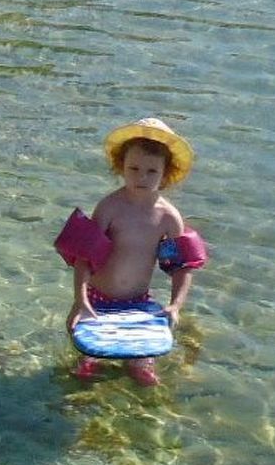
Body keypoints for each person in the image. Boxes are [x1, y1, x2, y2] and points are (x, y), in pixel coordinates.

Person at [57, 117, 207, 387]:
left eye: (152, 171)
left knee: (144, 375)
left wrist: (175, 306)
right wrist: (80, 301)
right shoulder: (110, 208)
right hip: (97, 299)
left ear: (166, 173)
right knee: (85, 370)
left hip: (138, 302)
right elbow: (84, 258)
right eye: (133, 168)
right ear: (121, 166)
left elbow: (182, 267)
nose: (141, 177)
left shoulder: (168, 217)